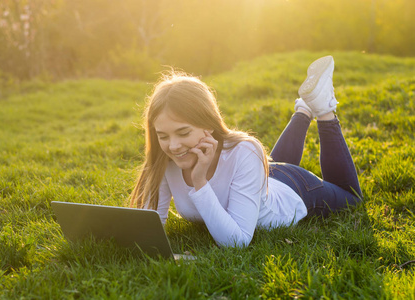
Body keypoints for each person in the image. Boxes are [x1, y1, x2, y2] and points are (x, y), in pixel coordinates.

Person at [130, 56, 362, 247]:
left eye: (183, 133)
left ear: (208, 123)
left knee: (352, 198)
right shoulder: (166, 158)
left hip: (295, 189)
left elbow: (237, 241)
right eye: (163, 136)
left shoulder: (244, 151)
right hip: (259, 180)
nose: (173, 146)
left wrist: (200, 181)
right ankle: (304, 108)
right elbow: (152, 227)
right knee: (260, 166)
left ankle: (323, 110)